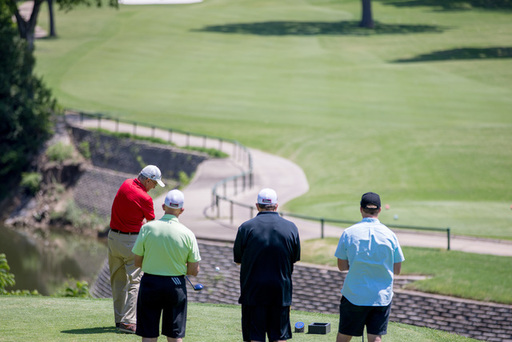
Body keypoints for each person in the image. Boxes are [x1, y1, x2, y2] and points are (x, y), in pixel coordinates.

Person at [334, 192, 405, 342]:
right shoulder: (390, 235)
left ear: (361, 209)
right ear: (379, 210)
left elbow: (341, 266)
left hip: (354, 294)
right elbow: (397, 270)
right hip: (381, 297)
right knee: (375, 337)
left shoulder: (348, 233)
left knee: (345, 335)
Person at [132, 189, 201, 342]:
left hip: (150, 283)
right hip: (175, 285)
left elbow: (137, 262)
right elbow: (194, 270)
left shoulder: (147, 228)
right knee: (174, 334)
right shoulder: (188, 234)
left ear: (163, 207)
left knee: (149, 334)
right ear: (181, 210)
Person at [233, 188, 301, 342]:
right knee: (279, 337)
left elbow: (238, 260)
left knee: (255, 337)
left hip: (253, 292)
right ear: (276, 206)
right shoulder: (291, 228)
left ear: (257, 206)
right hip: (280, 292)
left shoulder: (245, 228)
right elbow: (294, 258)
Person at [108, 165, 165, 334]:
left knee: (117, 281)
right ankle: (128, 322)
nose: (154, 187)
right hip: (130, 242)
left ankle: (119, 320)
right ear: (148, 180)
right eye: (154, 184)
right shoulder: (145, 198)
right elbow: (152, 225)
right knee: (135, 281)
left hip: (112, 239)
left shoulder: (125, 184)